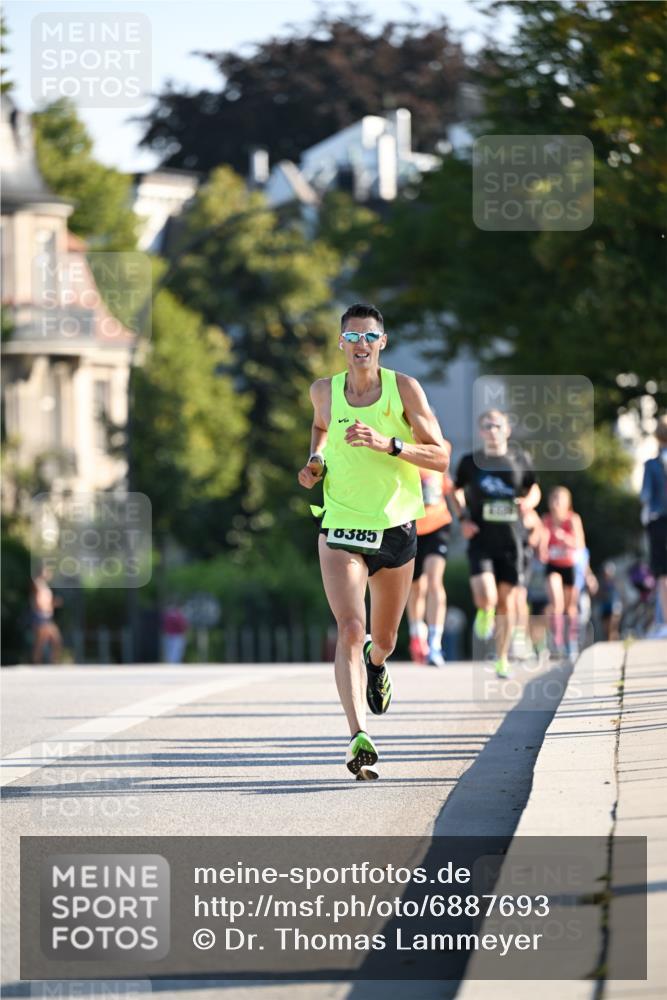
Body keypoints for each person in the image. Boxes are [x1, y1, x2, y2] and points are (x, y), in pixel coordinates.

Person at [297, 303, 450, 780]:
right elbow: (322, 428)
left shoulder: (405, 389)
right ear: (340, 344)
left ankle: (377, 662)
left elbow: (441, 458)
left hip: (397, 527)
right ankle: (357, 735)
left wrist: (390, 444)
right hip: (340, 524)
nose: (360, 344)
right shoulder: (323, 391)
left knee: (382, 639)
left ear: (383, 342)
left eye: (369, 336)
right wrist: (316, 461)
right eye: (352, 337)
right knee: (348, 626)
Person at [453, 409, 540, 678]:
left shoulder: (519, 458)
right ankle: (483, 610)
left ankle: (502, 658)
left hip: (512, 541)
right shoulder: (471, 461)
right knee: (487, 595)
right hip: (481, 538)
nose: (492, 430)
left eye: (497, 425)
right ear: (481, 431)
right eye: (487, 425)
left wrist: (528, 503)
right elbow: (455, 489)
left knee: (507, 603)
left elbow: (534, 488)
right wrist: (463, 518)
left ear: (507, 429)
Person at [406, 467, 454, 668]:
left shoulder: (443, 446)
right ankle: (417, 634)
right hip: (409, 526)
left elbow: (448, 484)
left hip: (438, 524)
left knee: (435, 580)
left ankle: (435, 643)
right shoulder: (398, 442)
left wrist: (465, 514)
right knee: (416, 586)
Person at [540, 486, 586, 658]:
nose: (556, 502)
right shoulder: (546, 520)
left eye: (559, 498)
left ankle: (571, 641)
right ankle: (556, 641)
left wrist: (564, 539)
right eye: (553, 498)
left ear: (568, 502)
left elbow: (580, 544)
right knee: (556, 604)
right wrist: (542, 547)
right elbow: (542, 541)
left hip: (570, 566)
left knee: (570, 608)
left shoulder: (573, 519)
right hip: (553, 566)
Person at [640, 415, 667, 637]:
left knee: (663, 574)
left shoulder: (651, 464)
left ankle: (665, 622)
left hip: (659, 521)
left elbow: (645, 495)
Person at [30, 564, 63, 665]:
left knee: (47, 641)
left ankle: (50, 662)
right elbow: (36, 601)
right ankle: (38, 662)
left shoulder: (45, 586)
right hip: (40, 616)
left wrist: (53, 604)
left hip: (47, 616)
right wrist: (43, 607)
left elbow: (46, 602)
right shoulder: (37, 584)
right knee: (45, 641)